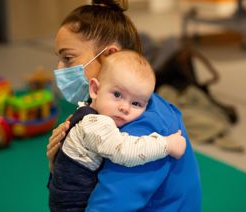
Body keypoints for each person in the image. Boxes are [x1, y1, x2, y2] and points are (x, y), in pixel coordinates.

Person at [47, 0, 202, 211]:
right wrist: (67, 163)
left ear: (110, 55)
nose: (59, 69)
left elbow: (109, 206)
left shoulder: (143, 131)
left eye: (68, 58)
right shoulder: (108, 111)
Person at [49, 50, 187, 211]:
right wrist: (166, 144)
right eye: (117, 94)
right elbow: (124, 151)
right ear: (94, 89)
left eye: (136, 103)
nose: (124, 107)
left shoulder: (87, 111)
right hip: (73, 206)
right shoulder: (95, 123)